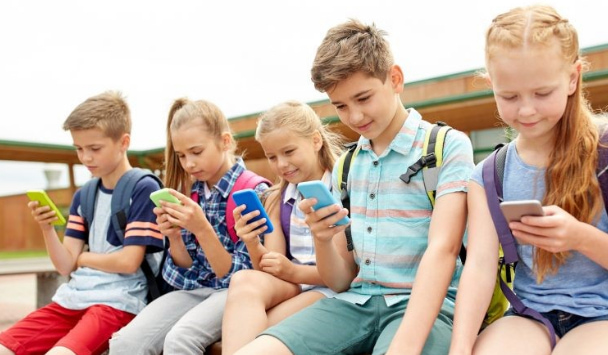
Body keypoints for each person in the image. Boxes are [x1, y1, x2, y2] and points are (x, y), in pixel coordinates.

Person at [235, 19, 474, 355]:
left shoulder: (445, 146)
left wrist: (405, 342)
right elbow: (341, 279)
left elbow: (444, 250)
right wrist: (321, 238)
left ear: (394, 79)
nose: (355, 116)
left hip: (429, 305)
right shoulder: (347, 165)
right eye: (341, 106)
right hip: (354, 304)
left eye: (363, 98)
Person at [449, 5, 608, 355]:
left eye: (541, 93)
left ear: (573, 77)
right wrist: (460, 348)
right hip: (532, 315)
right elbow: (478, 268)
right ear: (491, 85)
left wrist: (581, 237)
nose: (526, 110)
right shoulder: (489, 175)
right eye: (509, 96)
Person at [0, 91, 164, 355]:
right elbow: (66, 263)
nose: (85, 158)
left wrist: (85, 259)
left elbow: (128, 262)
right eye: (79, 148)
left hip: (117, 303)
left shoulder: (142, 188)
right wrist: (47, 228)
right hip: (72, 299)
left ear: (124, 142)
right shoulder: (85, 194)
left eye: (94, 149)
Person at [108, 98, 270, 355]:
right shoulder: (191, 193)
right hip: (195, 291)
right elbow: (183, 274)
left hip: (234, 294)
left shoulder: (254, 191)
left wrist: (202, 228)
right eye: (181, 155)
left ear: (225, 142)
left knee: (180, 340)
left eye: (196, 152)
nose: (189, 164)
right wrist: (174, 237)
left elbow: (239, 277)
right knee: (125, 342)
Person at [221, 100, 346, 354]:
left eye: (289, 152)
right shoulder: (277, 198)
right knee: (243, 279)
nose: (281, 164)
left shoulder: (341, 187)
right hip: (294, 283)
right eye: (272, 157)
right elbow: (272, 267)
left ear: (315, 141)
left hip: (329, 288)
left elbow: (343, 277)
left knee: (261, 328)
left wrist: (292, 271)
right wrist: (252, 243)